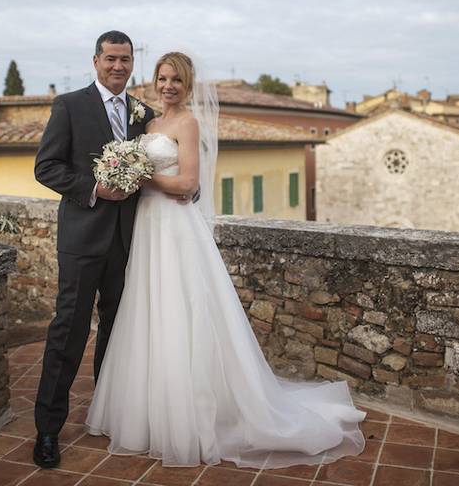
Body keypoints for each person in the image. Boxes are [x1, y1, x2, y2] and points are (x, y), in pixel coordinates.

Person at [84, 52, 365, 468]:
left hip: (176, 228)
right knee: (149, 311)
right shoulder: (148, 124)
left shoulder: (188, 124)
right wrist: (125, 173)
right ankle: (148, 412)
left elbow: (187, 183)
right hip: (147, 227)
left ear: (188, 84)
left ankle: (191, 418)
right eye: (162, 78)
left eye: (176, 80)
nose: (168, 86)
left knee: (183, 311)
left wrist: (140, 177)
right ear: (153, 82)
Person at [32, 30, 155, 469]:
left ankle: (106, 413)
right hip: (83, 240)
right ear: (95, 61)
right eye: (110, 59)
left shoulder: (145, 113)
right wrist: (95, 188)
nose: (118, 66)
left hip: (129, 241)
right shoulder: (70, 105)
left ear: (132, 62)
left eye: (125, 59)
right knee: (68, 330)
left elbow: (158, 168)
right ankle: (47, 429)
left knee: (117, 331)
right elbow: (46, 167)